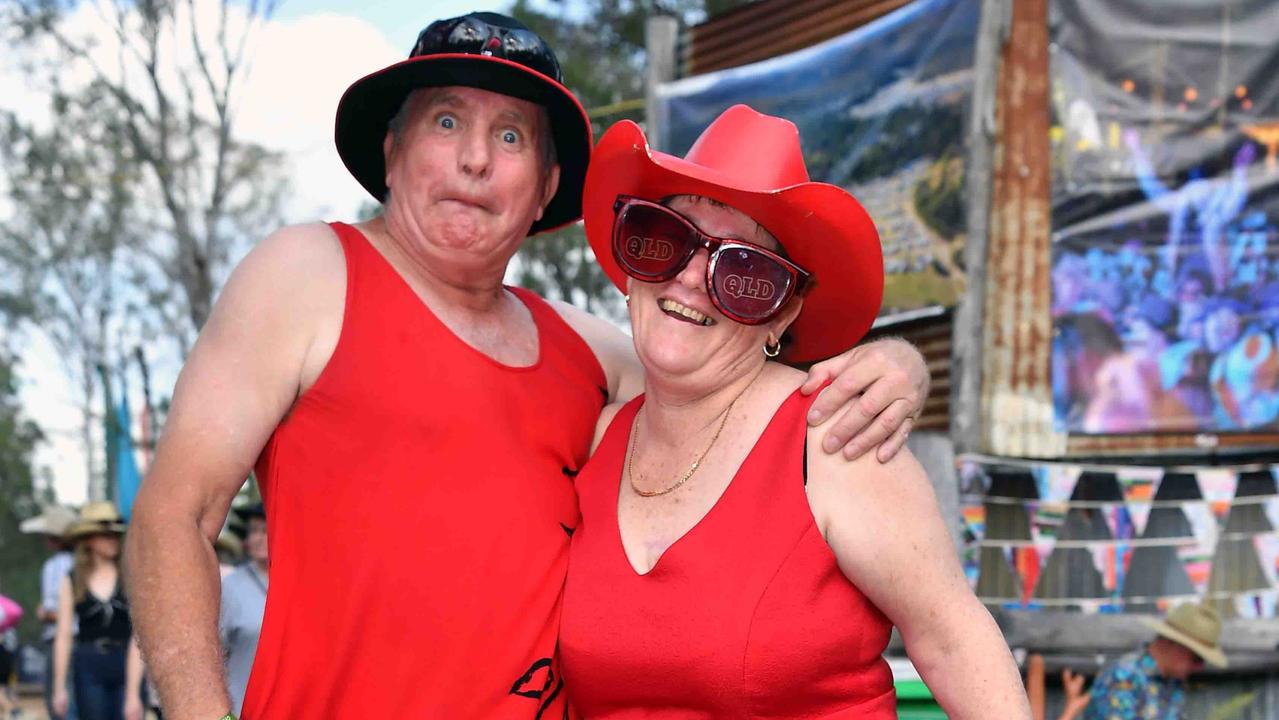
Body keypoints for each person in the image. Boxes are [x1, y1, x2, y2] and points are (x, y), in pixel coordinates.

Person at [126, 12, 931, 720]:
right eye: (445, 122)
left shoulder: (589, 353)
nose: (475, 159)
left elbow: (728, 364)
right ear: (392, 148)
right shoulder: (309, 275)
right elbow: (174, 518)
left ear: (546, 185)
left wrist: (894, 366)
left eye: (510, 136)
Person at [558, 105, 1030, 717]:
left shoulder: (833, 437)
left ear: (782, 313)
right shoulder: (596, 439)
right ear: (631, 263)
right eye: (665, 238)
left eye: (746, 271)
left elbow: (953, 641)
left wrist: (903, 359)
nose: (692, 278)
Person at [1059, 602, 1227, 720]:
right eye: (1197, 658)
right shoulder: (1123, 677)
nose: (1199, 667)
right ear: (1175, 644)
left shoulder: (1172, 683)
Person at [53, 502, 144, 720]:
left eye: (115, 535)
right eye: (105, 535)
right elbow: (64, 635)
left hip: (126, 661)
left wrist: (133, 694)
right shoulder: (72, 579)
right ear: (89, 540)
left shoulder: (131, 576)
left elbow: (138, 636)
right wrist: (59, 688)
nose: (112, 539)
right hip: (88, 664)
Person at [20, 504, 78, 720]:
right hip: (82, 641)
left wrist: (44, 613)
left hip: (60, 640)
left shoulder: (55, 566)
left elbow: (58, 612)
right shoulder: (82, 564)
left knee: (59, 701)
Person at [219, 504, 268, 717]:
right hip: (243, 709)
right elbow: (212, 658)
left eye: (265, 530)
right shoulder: (230, 588)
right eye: (253, 531)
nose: (257, 538)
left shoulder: (302, 585)